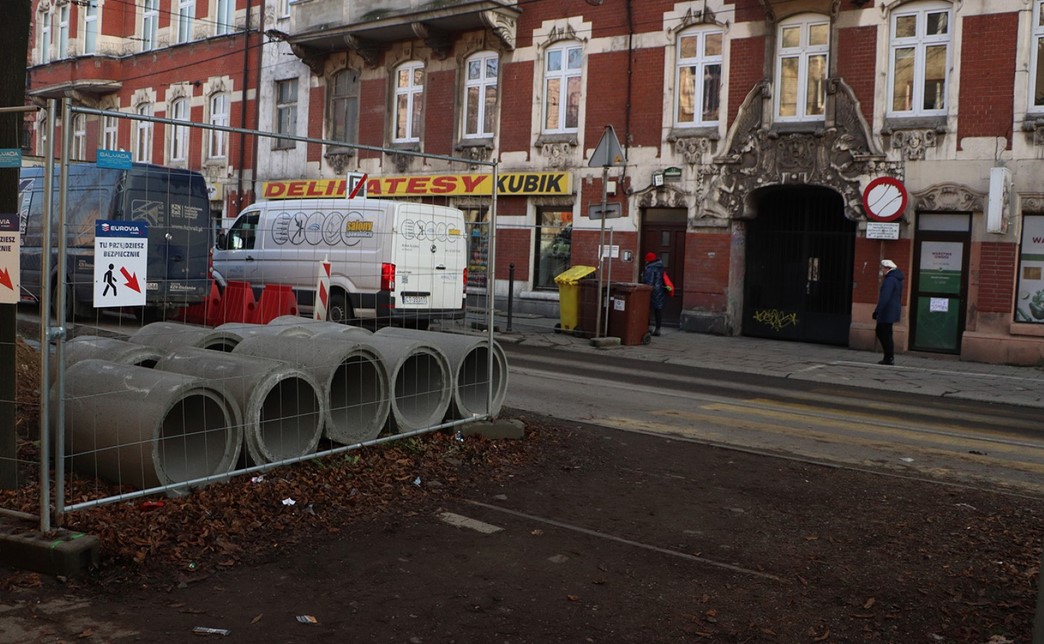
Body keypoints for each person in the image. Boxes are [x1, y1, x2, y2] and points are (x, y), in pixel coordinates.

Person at [873, 258, 904, 365]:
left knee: (882, 332)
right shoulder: (897, 279)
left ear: (888, 268)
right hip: (892, 310)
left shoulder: (890, 280)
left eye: (883, 268)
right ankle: (889, 357)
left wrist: (877, 311)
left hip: (887, 310)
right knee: (887, 333)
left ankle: (889, 357)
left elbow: (885, 297)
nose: (882, 270)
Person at [641, 252, 670, 337]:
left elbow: (649, 281)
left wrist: (643, 278)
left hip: (651, 291)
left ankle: (648, 327)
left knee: (647, 309)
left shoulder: (650, 268)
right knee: (658, 310)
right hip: (660, 291)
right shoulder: (660, 267)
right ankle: (658, 328)